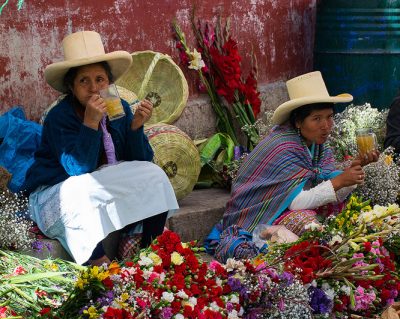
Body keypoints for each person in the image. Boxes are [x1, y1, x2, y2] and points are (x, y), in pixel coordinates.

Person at [22, 31, 179, 266]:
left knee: (153, 174)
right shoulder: (59, 117)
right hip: (59, 191)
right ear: (71, 87)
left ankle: (150, 250)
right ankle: (96, 259)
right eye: (83, 81)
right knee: (83, 189)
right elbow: (77, 169)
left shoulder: (119, 107)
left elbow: (140, 161)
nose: (94, 88)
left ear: (109, 83)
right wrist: (90, 123)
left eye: (100, 79)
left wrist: (135, 128)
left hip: (100, 185)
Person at [210, 71, 379, 262]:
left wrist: (354, 171)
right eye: (317, 119)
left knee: (353, 218)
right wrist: (339, 181)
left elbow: (330, 184)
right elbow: (296, 202)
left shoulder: (318, 145)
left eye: (329, 117)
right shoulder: (283, 146)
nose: (326, 125)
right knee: (311, 227)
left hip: (288, 208)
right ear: (298, 122)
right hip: (261, 214)